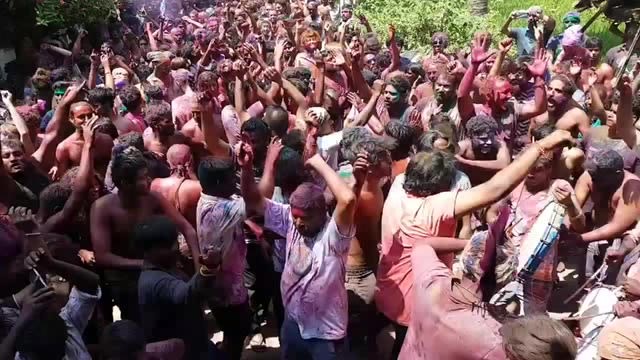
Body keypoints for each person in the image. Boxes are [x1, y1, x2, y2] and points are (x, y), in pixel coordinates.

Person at [241, 132, 367, 358]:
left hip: (324, 335)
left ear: (321, 213)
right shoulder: (290, 219)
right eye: (295, 216)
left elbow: (347, 200)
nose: (298, 223)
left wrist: (318, 161)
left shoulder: (333, 236)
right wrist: (247, 169)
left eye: (304, 218)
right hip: (293, 323)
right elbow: (253, 201)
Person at [90, 146, 200, 321]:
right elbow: (103, 256)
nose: (149, 180)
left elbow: (187, 229)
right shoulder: (103, 208)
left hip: (159, 270)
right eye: (142, 178)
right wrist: (144, 264)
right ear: (126, 183)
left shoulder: (153, 199)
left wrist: (198, 268)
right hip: (126, 280)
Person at [136, 215, 224, 360]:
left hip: (193, 345)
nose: (176, 248)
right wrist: (209, 267)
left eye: (175, 242)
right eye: (168, 246)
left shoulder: (166, 268)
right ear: (148, 251)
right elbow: (186, 294)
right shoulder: (155, 281)